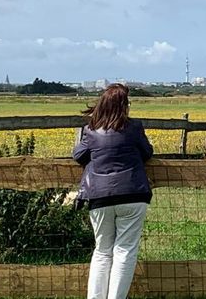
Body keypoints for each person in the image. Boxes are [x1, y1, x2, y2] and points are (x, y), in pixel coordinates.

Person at [73, 83, 154, 299]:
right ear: (124, 106)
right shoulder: (134, 127)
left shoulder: (90, 130)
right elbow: (147, 153)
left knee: (102, 251)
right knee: (125, 251)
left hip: (99, 196)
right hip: (133, 193)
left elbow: (78, 156)